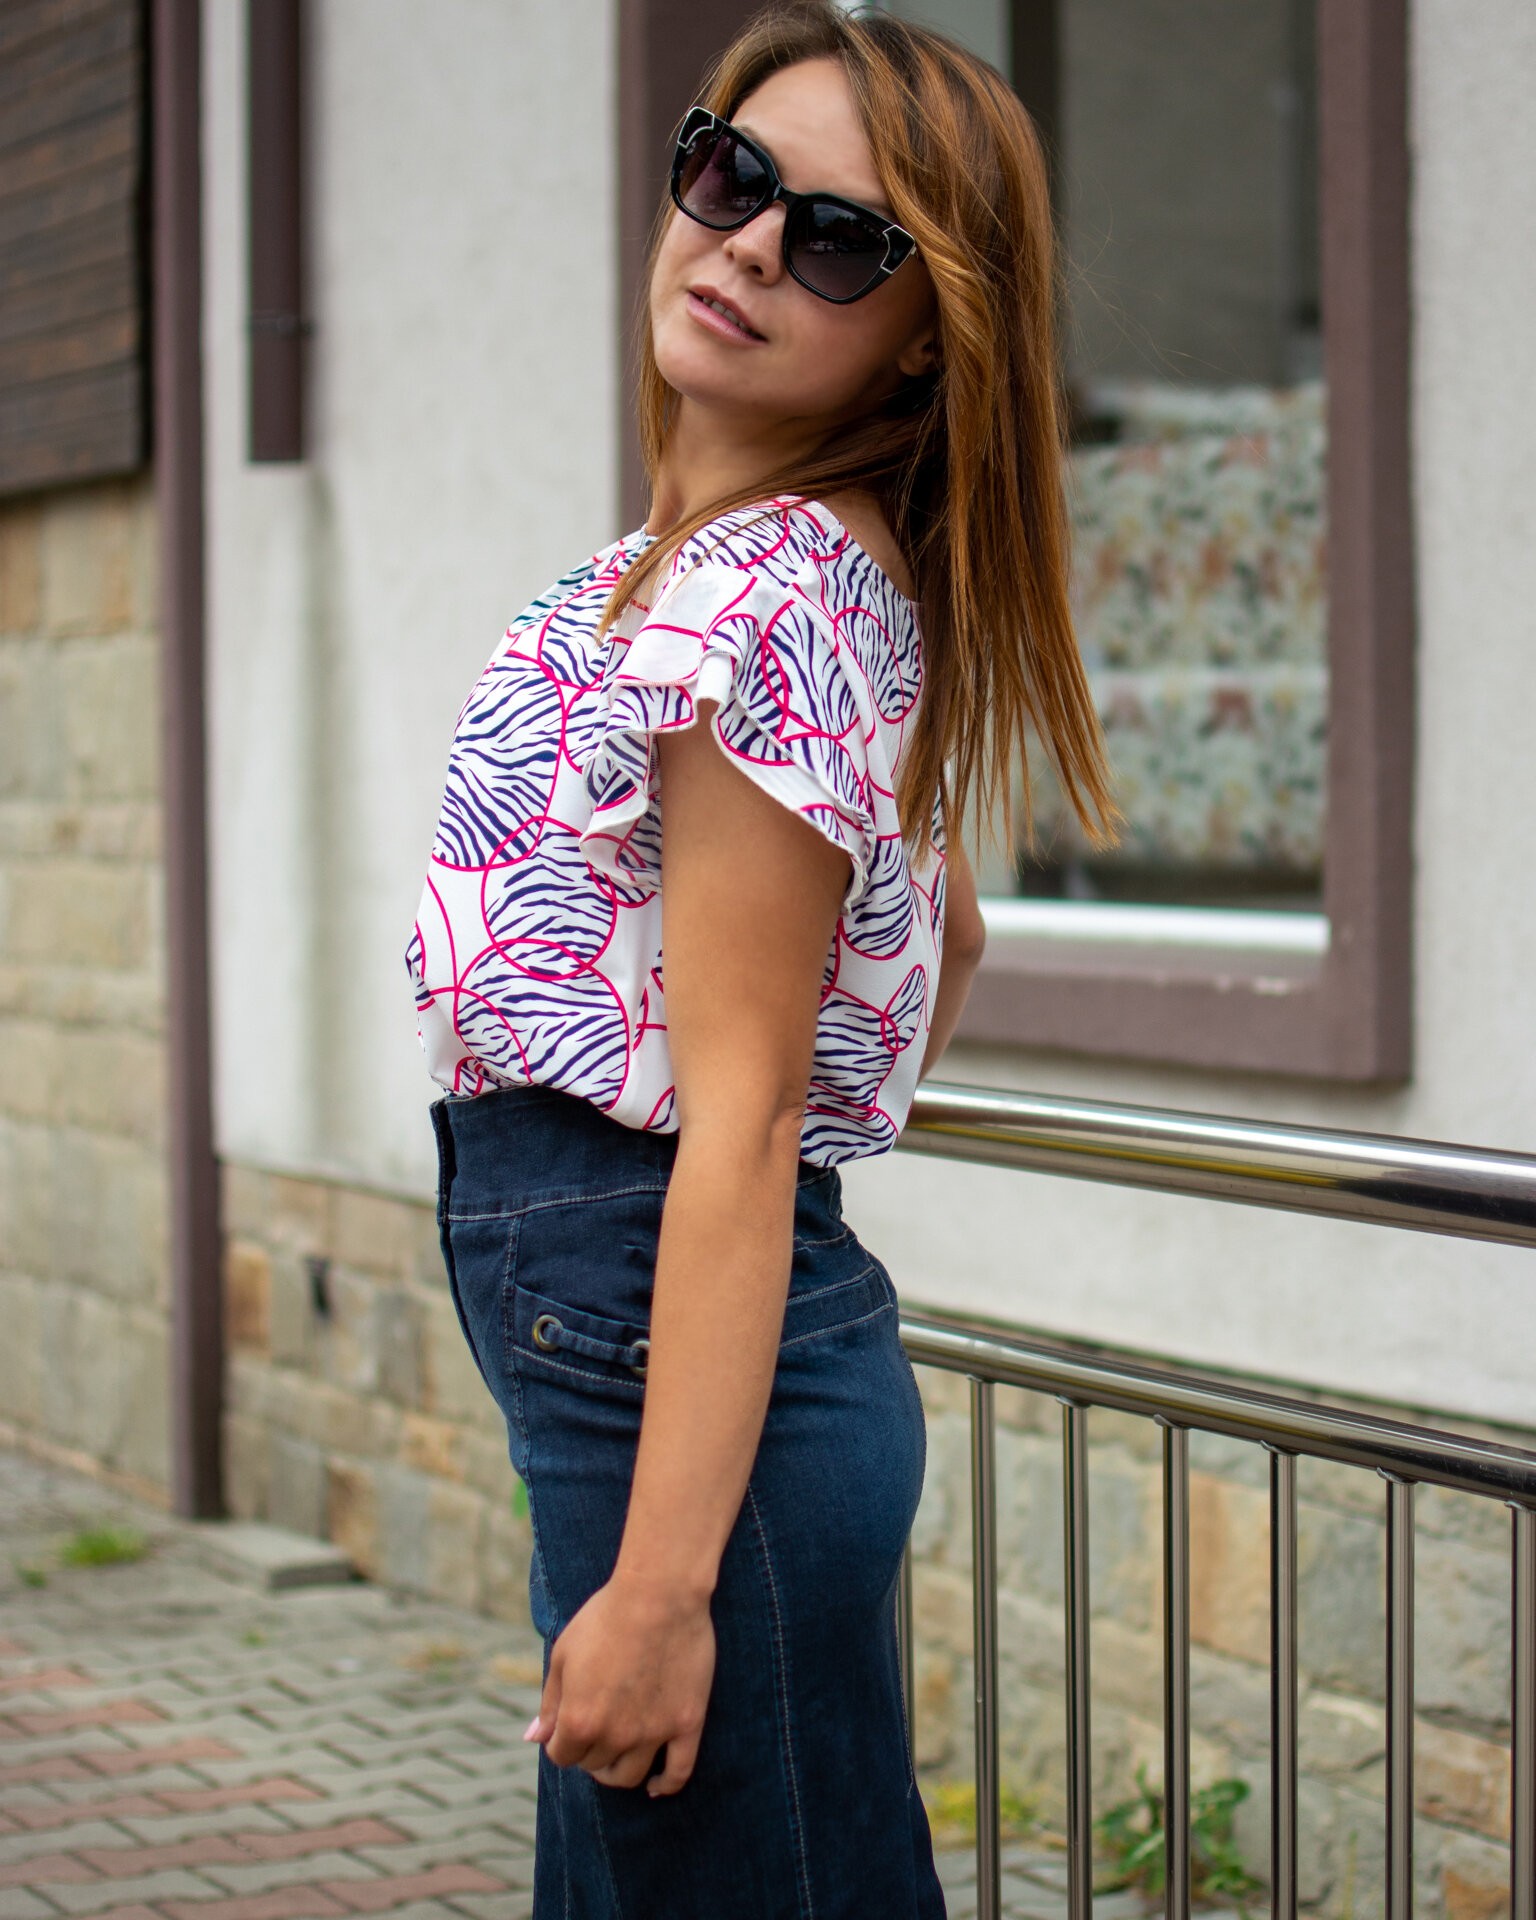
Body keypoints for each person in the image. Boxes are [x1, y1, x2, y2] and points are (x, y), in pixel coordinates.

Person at [406, 2, 1114, 1912]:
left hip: (675, 1359)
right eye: (731, 175)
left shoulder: (768, 587)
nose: (746, 245)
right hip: (672, 1345)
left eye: (842, 241)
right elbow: (948, 930)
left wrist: (661, 1588)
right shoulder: (734, 565)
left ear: (926, 332)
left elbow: (744, 1118)